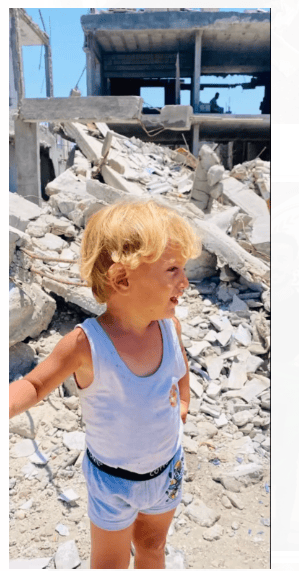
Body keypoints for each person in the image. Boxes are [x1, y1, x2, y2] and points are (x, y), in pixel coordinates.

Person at [9, 198, 201, 569]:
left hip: (167, 470)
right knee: (110, 562)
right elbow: (34, 386)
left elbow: (179, 367)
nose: (185, 281)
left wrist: (185, 400)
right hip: (112, 483)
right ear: (122, 279)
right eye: (173, 269)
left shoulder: (170, 327)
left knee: (153, 546)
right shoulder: (87, 344)